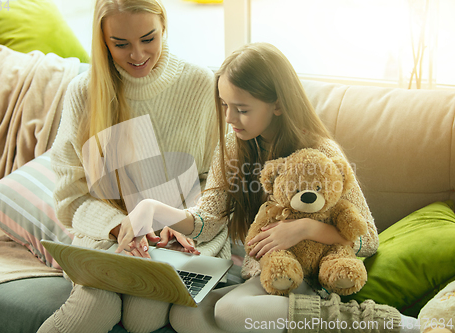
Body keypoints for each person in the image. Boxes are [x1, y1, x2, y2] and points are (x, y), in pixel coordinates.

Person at [150, 42, 417, 333]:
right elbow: (208, 221)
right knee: (185, 314)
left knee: (229, 312)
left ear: (277, 104)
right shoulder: (231, 148)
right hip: (260, 274)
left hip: (306, 277)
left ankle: (376, 322)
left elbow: (368, 238)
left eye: (241, 109)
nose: (228, 118)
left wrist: (305, 228)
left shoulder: (320, 152)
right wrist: (153, 211)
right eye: (225, 105)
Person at [37, 0, 230, 332]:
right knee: (95, 306)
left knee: (145, 318)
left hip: (182, 233)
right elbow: (71, 197)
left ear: (164, 27)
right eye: (120, 44)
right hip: (108, 234)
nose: (138, 54)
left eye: (148, 38)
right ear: (103, 41)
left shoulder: (200, 85)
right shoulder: (83, 93)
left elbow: (219, 186)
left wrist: (174, 220)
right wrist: (120, 227)